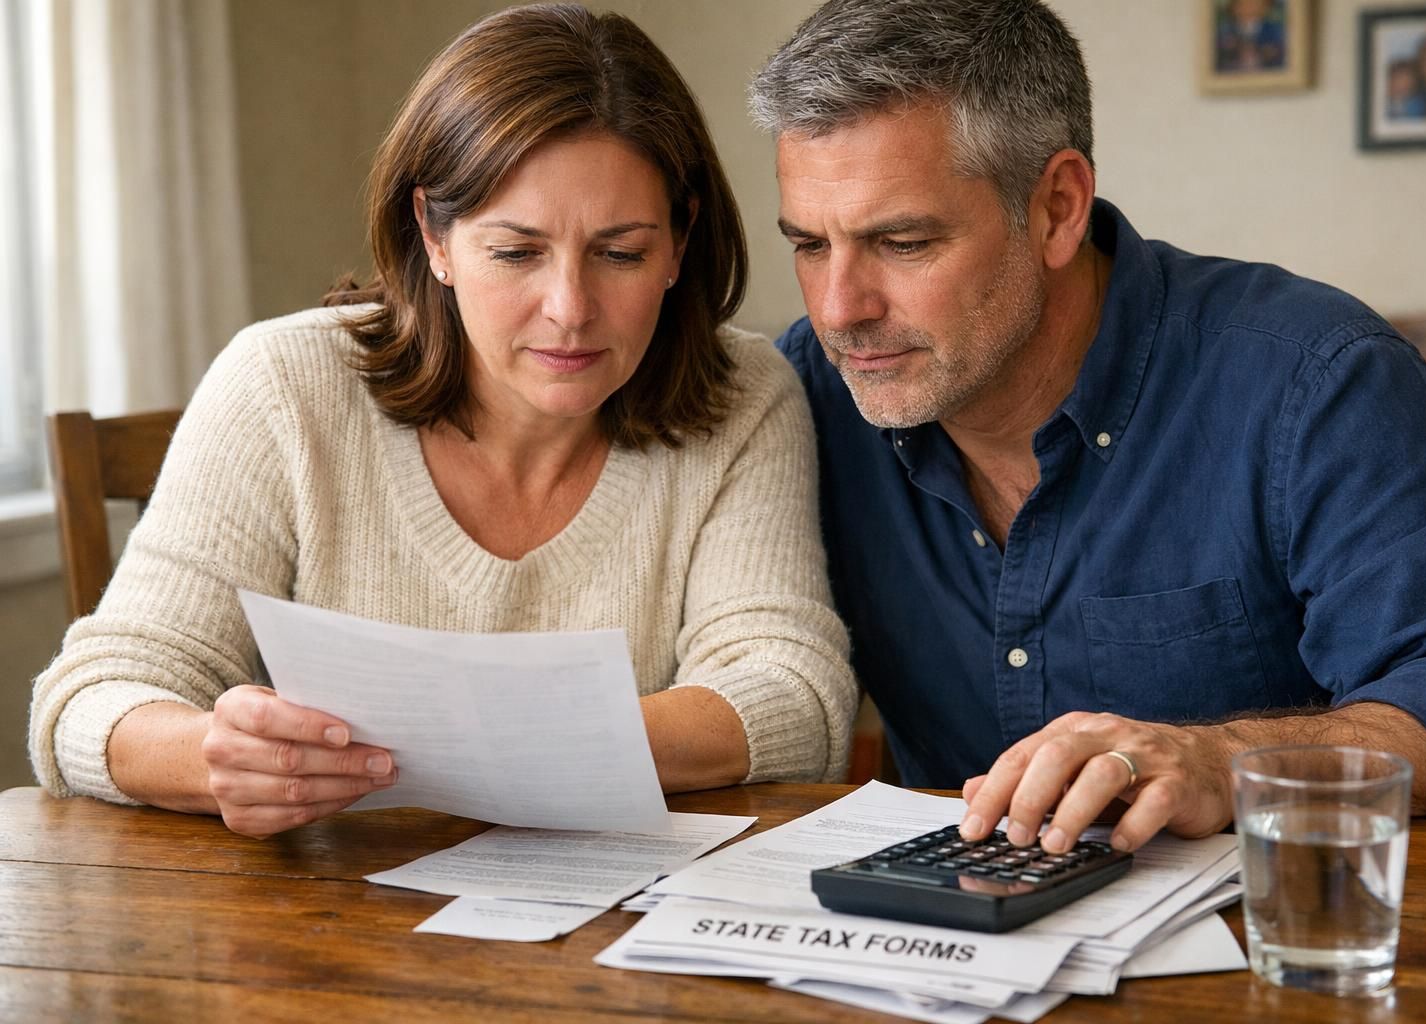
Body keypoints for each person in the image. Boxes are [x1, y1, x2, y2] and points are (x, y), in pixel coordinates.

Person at [29, 3, 857, 839]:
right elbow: (91, 701)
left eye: (621, 253)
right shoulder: (282, 385)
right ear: (433, 235)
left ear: (680, 241)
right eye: (515, 252)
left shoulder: (745, 393)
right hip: (322, 923)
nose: (570, 310)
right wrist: (216, 754)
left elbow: (791, 693)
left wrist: (492, 744)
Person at [750, 0, 1426, 854]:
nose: (839, 309)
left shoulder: (1314, 378)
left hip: (1279, 942)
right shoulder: (802, 395)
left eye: (901, 242)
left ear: (1057, 207)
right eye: (811, 245)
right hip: (940, 953)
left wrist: (1221, 759)